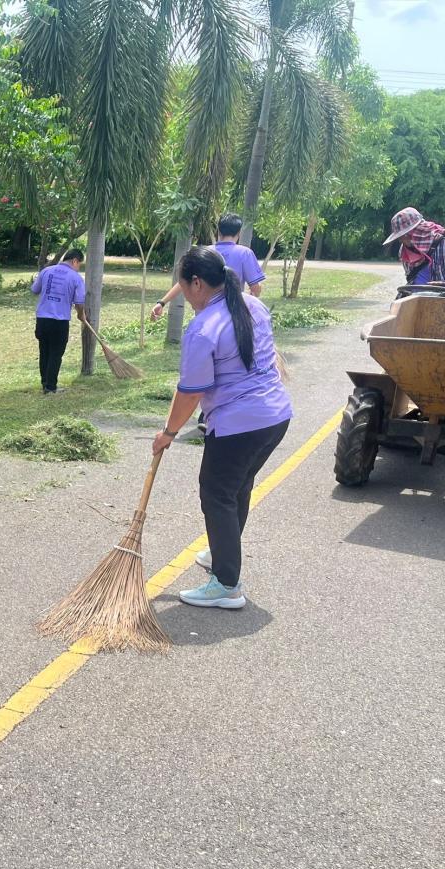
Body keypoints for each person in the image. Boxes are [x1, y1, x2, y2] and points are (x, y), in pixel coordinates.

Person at [151, 246, 292, 610]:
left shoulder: (202, 328)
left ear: (196, 283)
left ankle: (227, 584)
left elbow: (191, 392)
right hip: (275, 417)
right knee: (237, 487)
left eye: (182, 286)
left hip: (240, 424)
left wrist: (168, 433)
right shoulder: (252, 304)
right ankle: (222, 553)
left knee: (216, 493)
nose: (182, 292)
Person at [152, 213, 265, 320]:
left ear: (218, 231)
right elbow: (255, 289)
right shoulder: (245, 253)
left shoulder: (204, 253)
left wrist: (162, 303)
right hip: (231, 319)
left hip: (204, 318)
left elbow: (184, 282)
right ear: (239, 233)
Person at [384, 207, 445, 297]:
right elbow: (411, 279)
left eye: (403, 236)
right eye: (399, 237)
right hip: (417, 303)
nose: (400, 240)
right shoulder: (404, 250)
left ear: (414, 232)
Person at [30, 248, 87, 394]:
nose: (78, 267)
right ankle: (50, 387)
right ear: (75, 260)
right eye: (79, 264)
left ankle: (45, 384)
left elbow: (34, 290)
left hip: (42, 319)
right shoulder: (76, 278)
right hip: (60, 321)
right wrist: (81, 314)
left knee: (44, 351)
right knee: (56, 353)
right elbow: (79, 302)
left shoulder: (46, 271)